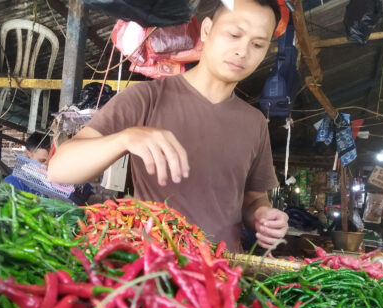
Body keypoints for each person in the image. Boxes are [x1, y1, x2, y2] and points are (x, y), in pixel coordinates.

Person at [48, 0, 289, 252]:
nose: (243, 51)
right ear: (206, 30)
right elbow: (59, 170)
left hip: (224, 272)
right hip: (154, 267)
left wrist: (262, 215)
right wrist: (125, 138)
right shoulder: (145, 98)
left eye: (258, 44)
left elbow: (252, 198)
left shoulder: (255, 123)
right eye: (234, 34)